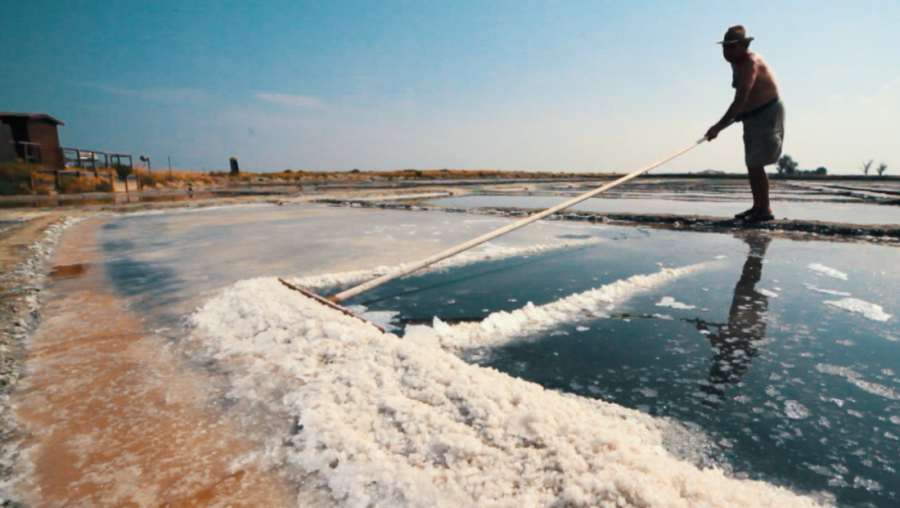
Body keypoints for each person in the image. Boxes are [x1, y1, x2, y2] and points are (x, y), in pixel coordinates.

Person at [705, 25, 784, 223]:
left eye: (731, 47)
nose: (727, 52)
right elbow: (741, 96)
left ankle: (764, 209)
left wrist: (718, 127)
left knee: (757, 162)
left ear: (742, 46)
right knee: (752, 162)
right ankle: (758, 206)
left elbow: (740, 98)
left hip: (767, 112)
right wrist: (742, 113)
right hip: (752, 115)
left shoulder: (750, 62)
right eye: (724, 48)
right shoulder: (736, 63)